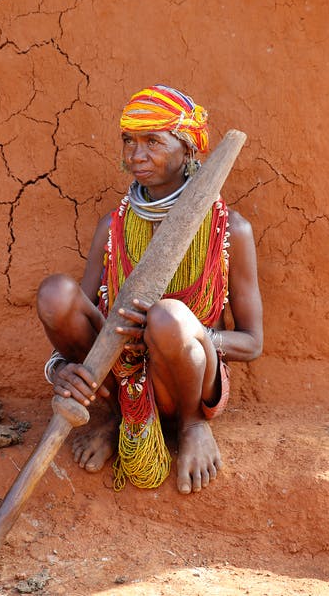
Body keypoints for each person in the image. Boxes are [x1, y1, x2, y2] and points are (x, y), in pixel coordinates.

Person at [37, 85, 263, 494]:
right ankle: (110, 417)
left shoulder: (229, 229)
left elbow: (251, 343)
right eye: (129, 141)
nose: (136, 155)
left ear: (190, 149)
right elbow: (79, 318)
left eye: (153, 142)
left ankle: (194, 427)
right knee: (55, 293)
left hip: (187, 381)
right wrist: (60, 370)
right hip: (120, 375)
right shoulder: (113, 227)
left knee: (168, 316)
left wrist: (187, 333)